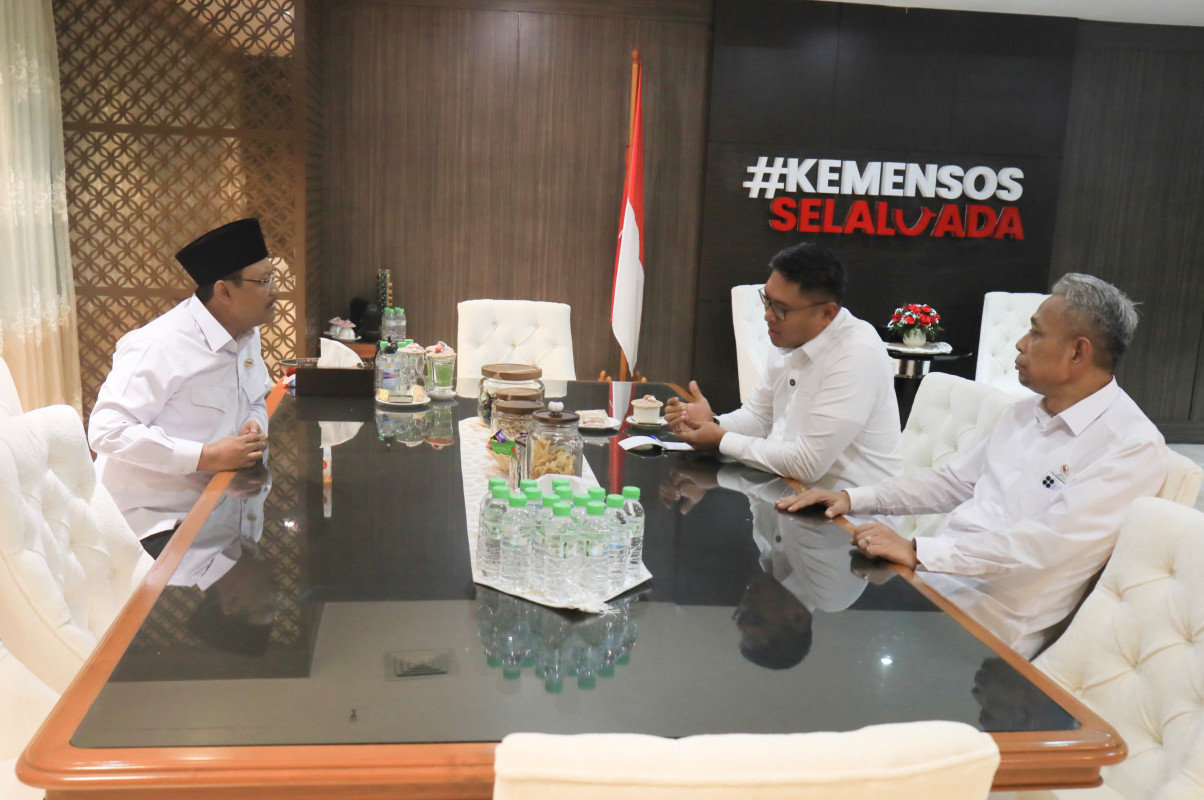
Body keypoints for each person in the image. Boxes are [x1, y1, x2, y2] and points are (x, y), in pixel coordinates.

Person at [778, 273, 1169, 658]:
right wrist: (853, 498)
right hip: (933, 582)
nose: (1020, 343)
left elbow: (1045, 546)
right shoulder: (1023, 413)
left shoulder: (1130, 445)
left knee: (835, 646)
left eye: (1035, 333)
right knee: (825, 618)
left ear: (1078, 352)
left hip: (989, 622)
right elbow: (953, 482)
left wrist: (919, 550)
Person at [89, 218, 278, 556]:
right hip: (153, 522)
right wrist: (208, 456)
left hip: (219, 504)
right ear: (224, 291)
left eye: (272, 277)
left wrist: (253, 425)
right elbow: (107, 431)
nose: (274, 290)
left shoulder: (247, 332)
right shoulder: (160, 344)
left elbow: (255, 400)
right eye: (264, 281)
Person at [665, 242, 900, 486]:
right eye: (766, 300)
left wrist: (721, 439)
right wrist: (713, 423)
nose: (767, 315)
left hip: (847, 506)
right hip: (785, 491)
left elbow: (805, 464)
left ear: (827, 314)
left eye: (780, 308)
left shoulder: (856, 355)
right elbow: (760, 417)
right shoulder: (788, 338)